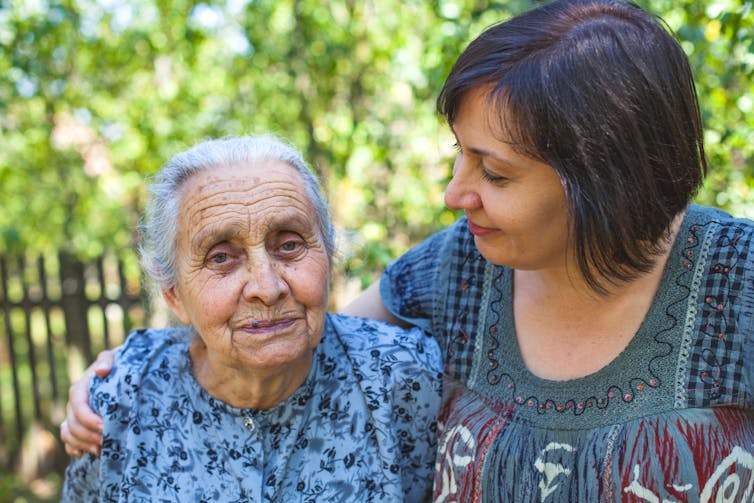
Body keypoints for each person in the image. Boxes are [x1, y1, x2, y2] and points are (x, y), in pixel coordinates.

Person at [63, 0, 754, 500]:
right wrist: (129, 373)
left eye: (495, 172)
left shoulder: (737, 282)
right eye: (460, 156)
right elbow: (294, 334)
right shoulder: (460, 269)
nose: (456, 193)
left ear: (603, 177)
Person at [61, 135, 442, 502]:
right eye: (221, 258)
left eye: (290, 245)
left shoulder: (404, 376)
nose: (267, 286)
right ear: (173, 294)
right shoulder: (119, 400)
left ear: (329, 257)